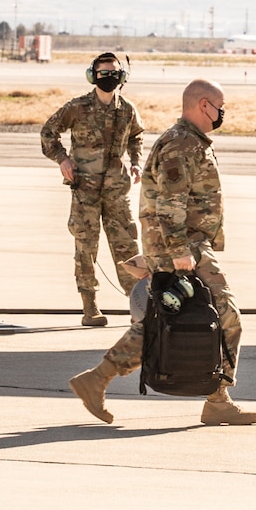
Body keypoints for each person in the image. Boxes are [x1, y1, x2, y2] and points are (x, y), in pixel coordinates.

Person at [68, 79, 256, 426]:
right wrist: (179, 252)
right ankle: (218, 399)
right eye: (220, 105)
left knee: (163, 321)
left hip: (181, 247)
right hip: (185, 248)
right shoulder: (182, 144)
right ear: (204, 105)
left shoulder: (188, 141)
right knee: (228, 317)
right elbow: (170, 204)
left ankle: (97, 378)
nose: (222, 112)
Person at [40, 53, 145, 326]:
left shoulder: (128, 110)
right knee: (86, 248)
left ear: (121, 77)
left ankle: (140, 306)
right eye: (103, 73)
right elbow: (48, 133)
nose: (108, 77)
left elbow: (136, 137)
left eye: (113, 72)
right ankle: (90, 307)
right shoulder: (77, 108)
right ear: (92, 76)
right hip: (84, 190)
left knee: (128, 247)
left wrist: (136, 163)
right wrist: (62, 159)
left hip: (116, 192)